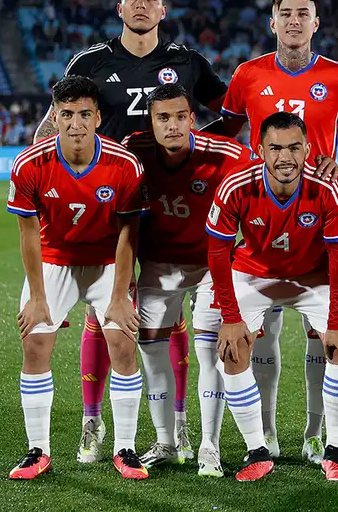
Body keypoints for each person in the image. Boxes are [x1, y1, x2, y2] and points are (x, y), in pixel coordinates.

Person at [33, 0, 229, 464]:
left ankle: (178, 428)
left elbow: (233, 112)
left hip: (171, 203)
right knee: (105, 314)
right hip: (106, 206)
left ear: (164, 11)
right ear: (119, 9)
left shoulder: (186, 61)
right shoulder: (92, 62)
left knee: (168, 316)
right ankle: (92, 423)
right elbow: (50, 125)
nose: (141, 5)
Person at [218, 0, 338, 463]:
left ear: (316, 21)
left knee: (320, 335)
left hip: (319, 210)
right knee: (254, 334)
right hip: (264, 209)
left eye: (303, 13)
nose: (294, 21)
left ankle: (313, 432)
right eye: (285, 13)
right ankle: (265, 435)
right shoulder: (247, 75)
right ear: (273, 22)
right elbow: (225, 133)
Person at [7, 76, 148, 480]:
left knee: (122, 343)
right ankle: (38, 450)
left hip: (107, 262)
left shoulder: (124, 165)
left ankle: (125, 449)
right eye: (66, 114)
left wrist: (120, 294)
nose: (75, 124)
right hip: (55, 261)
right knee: (35, 344)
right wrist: (37, 296)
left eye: (84, 114)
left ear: (98, 117)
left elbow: (129, 232)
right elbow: (29, 233)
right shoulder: (30, 164)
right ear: (55, 117)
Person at [206, 112, 338, 482]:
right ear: (259, 150)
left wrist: (337, 324)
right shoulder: (235, 187)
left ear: (308, 149)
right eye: (275, 148)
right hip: (255, 275)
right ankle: (257, 450)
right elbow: (217, 254)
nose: (285, 157)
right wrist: (229, 317)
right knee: (233, 348)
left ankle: (335, 451)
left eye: (293, 147)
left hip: (312, 277)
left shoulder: (327, 190)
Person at [122, 84, 251, 476]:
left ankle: (209, 446)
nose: (173, 125)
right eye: (163, 118)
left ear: (193, 120)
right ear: (152, 122)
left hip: (213, 266)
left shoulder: (227, 154)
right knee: (151, 352)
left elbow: (257, 191)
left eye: (181, 117)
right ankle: (166, 442)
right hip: (158, 266)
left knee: (210, 351)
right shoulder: (134, 149)